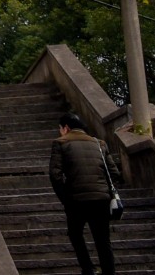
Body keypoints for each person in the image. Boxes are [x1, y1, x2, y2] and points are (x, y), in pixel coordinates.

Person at [49, 112, 117, 275]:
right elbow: (114, 173)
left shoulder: (60, 143)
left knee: (75, 234)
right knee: (103, 240)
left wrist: (65, 198)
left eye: (60, 128)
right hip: (101, 198)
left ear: (66, 128)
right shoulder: (99, 143)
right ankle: (109, 272)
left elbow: (55, 175)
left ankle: (88, 269)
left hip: (76, 200)